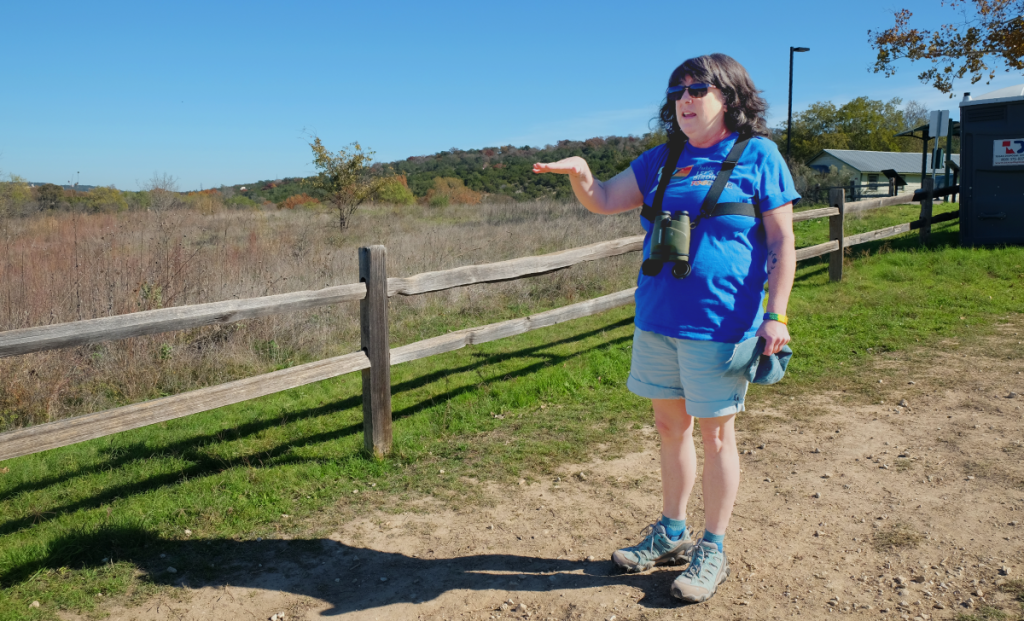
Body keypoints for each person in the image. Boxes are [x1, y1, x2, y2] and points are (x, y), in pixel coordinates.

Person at [532, 53, 798, 604]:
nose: (685, 99)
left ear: (730, 97)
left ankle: (713, 547)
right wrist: (583, 174)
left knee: (717, 433)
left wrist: (777, 315)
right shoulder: (662, 159)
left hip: (721, 322)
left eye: (699, 89)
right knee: (668, 429)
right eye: (678, 91)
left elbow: (781, 243)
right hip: (657, 319)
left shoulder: (759, 156)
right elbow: (605, 199)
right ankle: (672, 531)